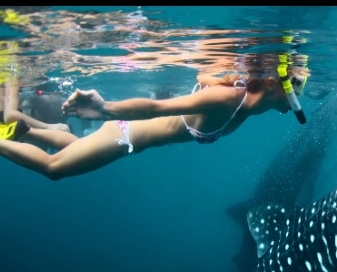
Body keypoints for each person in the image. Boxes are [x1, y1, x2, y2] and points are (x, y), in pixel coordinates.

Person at [0, 63, 310, 181]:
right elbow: (155, 107)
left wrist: (216, 74)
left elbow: (203, 74)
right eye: (298, 86)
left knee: (75, 147)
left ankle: (50, 130)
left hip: (129, 140)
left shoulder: (244, 102)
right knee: (53, 169)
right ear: (273, 84)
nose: (300, 94)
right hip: (124, 134)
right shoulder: (228, 100)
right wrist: (106, 107)